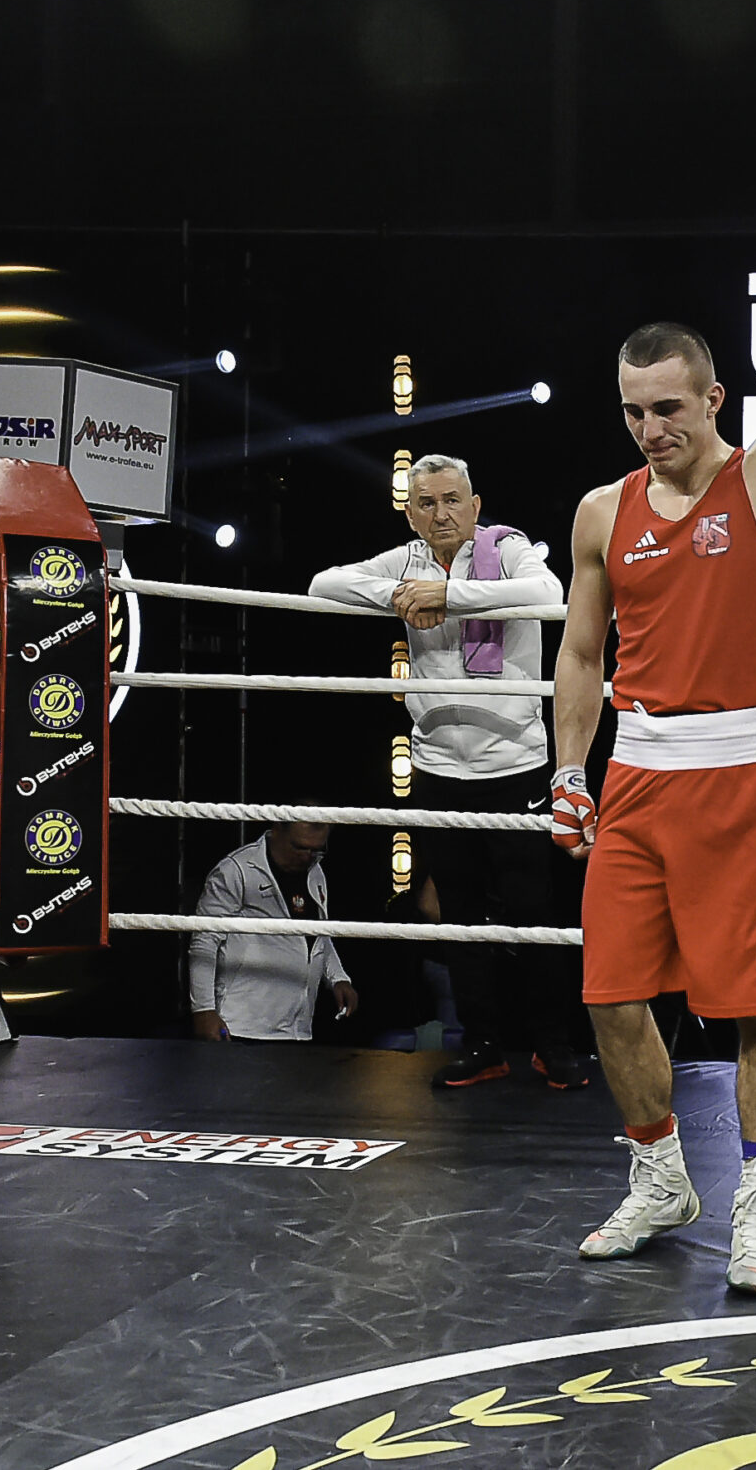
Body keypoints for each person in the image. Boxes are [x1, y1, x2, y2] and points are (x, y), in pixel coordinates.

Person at [546, 113, 756, 1295]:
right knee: (609, 995)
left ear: (713, 397)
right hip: (636, 774)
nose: (651, 431)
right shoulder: (602, 511)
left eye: (669, 410)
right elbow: (580, 652)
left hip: (745, 770)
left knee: (755, 1005)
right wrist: (568, 769)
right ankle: (658, 1177)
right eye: (633, 412)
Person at [308, 456, 587, 1089]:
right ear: (411, 513)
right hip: (436, 766)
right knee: (458, 915)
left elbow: (549, 594)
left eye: (453, 500)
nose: (442, 514)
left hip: (514, 764)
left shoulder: (506, 548)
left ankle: (552, 1044)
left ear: (475, 504)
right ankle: (483, 1045)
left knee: (533, 914)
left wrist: (450, 596)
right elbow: (323, 585)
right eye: (428, 503)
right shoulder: (406, 561)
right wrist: (401, 596)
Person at [188, 816, 357, 1042]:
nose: (307, 856)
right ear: (277, 830)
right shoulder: (237, 869)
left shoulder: (315, 871)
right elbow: (204, 941)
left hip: (297, 1029)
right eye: (300, 847)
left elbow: (317, 935)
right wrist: (203, 1010)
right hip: (241, 1026)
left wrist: (338, 978)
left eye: (316, 850)